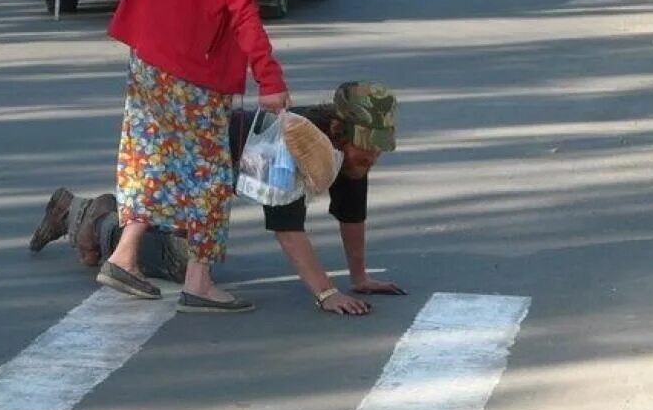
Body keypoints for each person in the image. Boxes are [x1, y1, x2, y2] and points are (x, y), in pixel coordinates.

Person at [95, 0, 295, 313]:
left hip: (148, 52)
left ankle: (123, 255)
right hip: (192, 65)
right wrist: (270, 79)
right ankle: (199, 280)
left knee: (151, 156)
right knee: (208, 171)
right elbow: (243, 8)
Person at [30, 82, 406, 316]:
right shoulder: (296, 145)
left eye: (378, 151)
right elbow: (288, 229)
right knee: (174, 261)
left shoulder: (348, 153)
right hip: (197, 162)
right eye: (366, 150)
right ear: (339, 130)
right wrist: (326, 293)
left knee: (179, 252)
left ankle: (111, 219)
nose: (372, 159)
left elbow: (351, 212)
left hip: (214, 174)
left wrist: (359, 277)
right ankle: (88, 217)